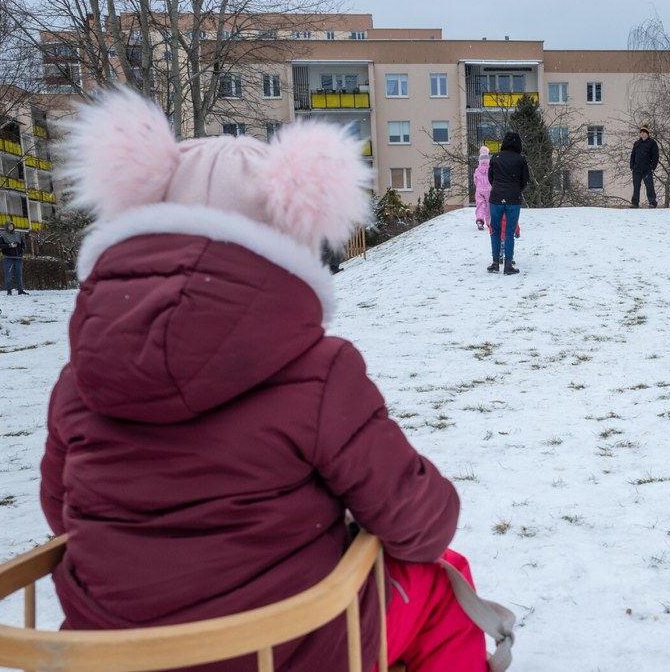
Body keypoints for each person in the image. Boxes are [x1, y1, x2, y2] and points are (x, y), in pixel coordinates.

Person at [41, 89, 498, 672]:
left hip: (115, 651)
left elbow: (62, 511)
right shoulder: (318, 372)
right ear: (293, 232)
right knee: (443, 579)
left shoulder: (79, 381)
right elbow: (416, 522)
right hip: (284, 646)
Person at [487, 131, 528, 276]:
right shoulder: (521, 159)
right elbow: (525, 181)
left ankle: (495, 263)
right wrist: (516, 189)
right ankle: (508, 265)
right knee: (509, 233)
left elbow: (490, 178)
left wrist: (499, 187)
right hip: (513, 198)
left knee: (495, 231)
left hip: (496, 198)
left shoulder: (495, 158)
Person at [629, 124, 660, 209]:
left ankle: (652, 202)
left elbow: (655, 156)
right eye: (641, 132)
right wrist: (632, 165)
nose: (642, 134)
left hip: (647, 169)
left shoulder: (652, 143)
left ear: (647, 134)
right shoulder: (637, 143)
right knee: (636, 187)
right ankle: (635, 203)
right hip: (636, 169)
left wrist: (652, 167)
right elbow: (633, 155)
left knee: (649, 186)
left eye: (644, 132)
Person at [0, 221, 28, 295]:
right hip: (8, 257)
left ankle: (20, 290)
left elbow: (23, 245)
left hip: (18, 258)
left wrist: (22, 250)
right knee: (8, 275)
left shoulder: (18, 234)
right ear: (6, 226)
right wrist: (9, 245)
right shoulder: (1, 235)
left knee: (19, 275)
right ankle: (9, 290)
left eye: (12, 226)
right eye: (9, 226)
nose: (11, 227)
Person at [473, 146, 491, 231]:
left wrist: (478, 187)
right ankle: (489, 222)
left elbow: (475, 180)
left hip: (479, 190)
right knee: (489, 205)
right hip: (489, 190)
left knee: (480, 205)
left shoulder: (477, 170)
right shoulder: (490, 169)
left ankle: (480, 220)